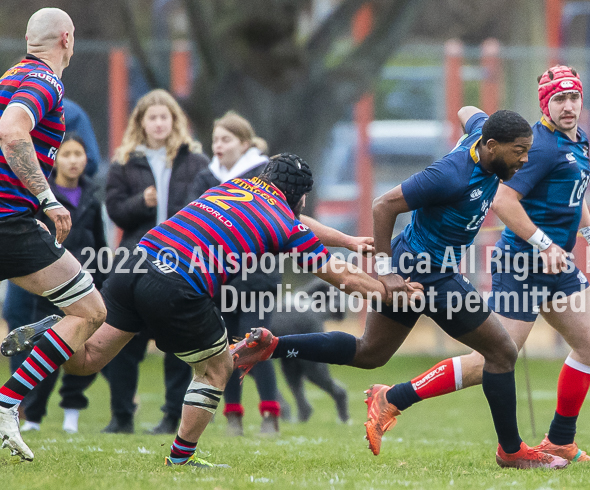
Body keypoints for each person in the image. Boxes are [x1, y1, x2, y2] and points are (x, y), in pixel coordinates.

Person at [5, 153, 419, 467]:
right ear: (301, 197)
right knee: (217, 369)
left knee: (86, 359)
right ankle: (181, 458)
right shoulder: (283, 223)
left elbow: (302, 223)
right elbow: (343, 279)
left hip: (135, 263)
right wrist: (388, 291)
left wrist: (345, 239)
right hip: (176, 285)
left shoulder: (232, 188)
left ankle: (54, 329)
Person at [234, 109, 571, 470]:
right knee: (502, 352)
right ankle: (511, 451)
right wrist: (385, 271)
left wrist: (479, 126)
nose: (524, 159)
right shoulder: (451, 174)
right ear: (491, 146)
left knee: (370, 353)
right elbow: (384, 205)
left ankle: (272, 346)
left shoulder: (483, 137)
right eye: (519, 151)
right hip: (427, 273)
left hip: (417, 264)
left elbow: (467, 112)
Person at [344, 66, 590, 463]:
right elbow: (503, 201)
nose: (568, 106)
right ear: (545, 104)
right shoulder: (539, 148)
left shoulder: (577, 141)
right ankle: (392, 397)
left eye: (573, 98)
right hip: (522, 265)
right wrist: (542, 242)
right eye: (559, 99)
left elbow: (575, 192)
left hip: (557, 265)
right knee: (493, 359)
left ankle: (559, 441)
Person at [0, 8, 107, 461]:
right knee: (89, 312)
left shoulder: (10, 75)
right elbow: (11, 131)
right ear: (68, 38)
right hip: (10, 224)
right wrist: (47, 198)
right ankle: (7, 404)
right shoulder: (46, 82)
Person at [103, 88, 209, 434]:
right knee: (123, 342)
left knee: (179, 344)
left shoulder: (195, 162)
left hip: (180, 262)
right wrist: (141, 202)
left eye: (165, 116)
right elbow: (115, 211)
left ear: (175, 121)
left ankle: (171, 418)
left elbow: (209, 208)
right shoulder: (124, 161)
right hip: (135, 261)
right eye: (153, 117)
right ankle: (121, 416)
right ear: (141, 122)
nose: (160, 123)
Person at [191, 111, 281, 435]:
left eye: (226, 139)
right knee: (226, 347)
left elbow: (274, 221)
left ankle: (270, 413)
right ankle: (233, 416)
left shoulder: (263, 173)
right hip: (220, 278)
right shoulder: (206, 178)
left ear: (244, 143)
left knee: (254, 342)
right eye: (215, 139)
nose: (218, 146)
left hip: (258, 275)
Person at [16, 134, 107, 433]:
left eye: (78, 154)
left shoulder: (93, 195)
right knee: (45, 349)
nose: (72, 160)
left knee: (81, 349)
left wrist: (103, 277)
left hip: (85, 284)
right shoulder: (42, 197)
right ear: (55, 161)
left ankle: (72, 412)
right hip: (49, 286)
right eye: (65, 154)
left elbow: (101, 242)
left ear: (85, 159)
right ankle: (34, 414)